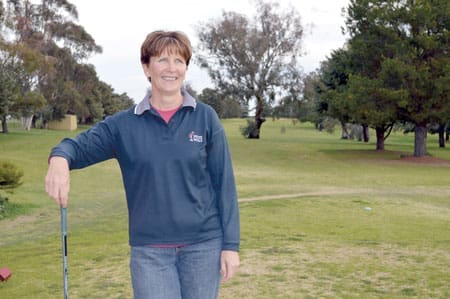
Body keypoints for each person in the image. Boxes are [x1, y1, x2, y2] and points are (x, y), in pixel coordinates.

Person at [45, 30, 240, 299]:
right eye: (162, 60)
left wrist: (230, 246)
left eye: (179, 61)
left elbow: (224, 185)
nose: (171, 69)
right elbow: (75, 148)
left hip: (203, 247)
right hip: (150, 253)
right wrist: (59, 159)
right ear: (146, 67)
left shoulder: (206, 118)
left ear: (185, 68)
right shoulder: (123, 126)